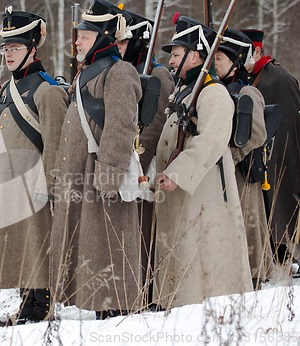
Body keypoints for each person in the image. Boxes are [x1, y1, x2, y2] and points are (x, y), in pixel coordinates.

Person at [50, 0, 143, 319]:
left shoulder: (119, 71)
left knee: (108, 243)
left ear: (103, 37)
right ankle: (98, 302)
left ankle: (114, 308)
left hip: (102, 173)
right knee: (91, 243)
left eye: (85, 36)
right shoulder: (86, 72)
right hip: (81, 171)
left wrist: (107, 175)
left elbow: (121, 125)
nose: (76, 41)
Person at [154, 16, 253, 310]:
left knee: (207, 266)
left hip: (203, 192)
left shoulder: (214, 93)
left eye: (175, 53)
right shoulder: (183, 91)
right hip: (184, 192)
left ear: (195, 54)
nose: (170, 61)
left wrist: (178, 174)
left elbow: (210, 140)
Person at [0, 6, 68, 326]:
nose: (8, 55)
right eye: (5, 49)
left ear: (33, 48)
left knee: (37, 244)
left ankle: (41, 306)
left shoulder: (48, 90)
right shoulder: (7, 89)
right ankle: (26, 305)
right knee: (20, 246)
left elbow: (56, 146)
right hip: (10, 181)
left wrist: (47, 186)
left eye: (15, 48)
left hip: (35, 183)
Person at [117, 8, 175, 307]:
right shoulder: (122, 73)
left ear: (139, 41)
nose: (119, 47)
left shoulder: (158, 74)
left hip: (146, 166)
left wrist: (135, 162)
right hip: (129, 165)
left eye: (124, 42)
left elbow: (156, 123)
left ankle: (148, 294)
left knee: (145, 233)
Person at [214, 27, 277, 288]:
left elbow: (257, 134)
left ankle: (254, 280)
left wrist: (229, 155)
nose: (213, 63)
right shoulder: (216, 90)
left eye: (219, 59)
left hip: (241, 175)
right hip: (223, 176)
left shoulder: (248, 92)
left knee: (248, 231)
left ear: (235, 63)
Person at [241, 29, 300, 268]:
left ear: (256, 50)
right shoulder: (242, 78)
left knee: (283, 202)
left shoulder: (279, 78)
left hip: (280, 156)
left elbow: (289, 129)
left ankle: (287, 252)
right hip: (256, 158)